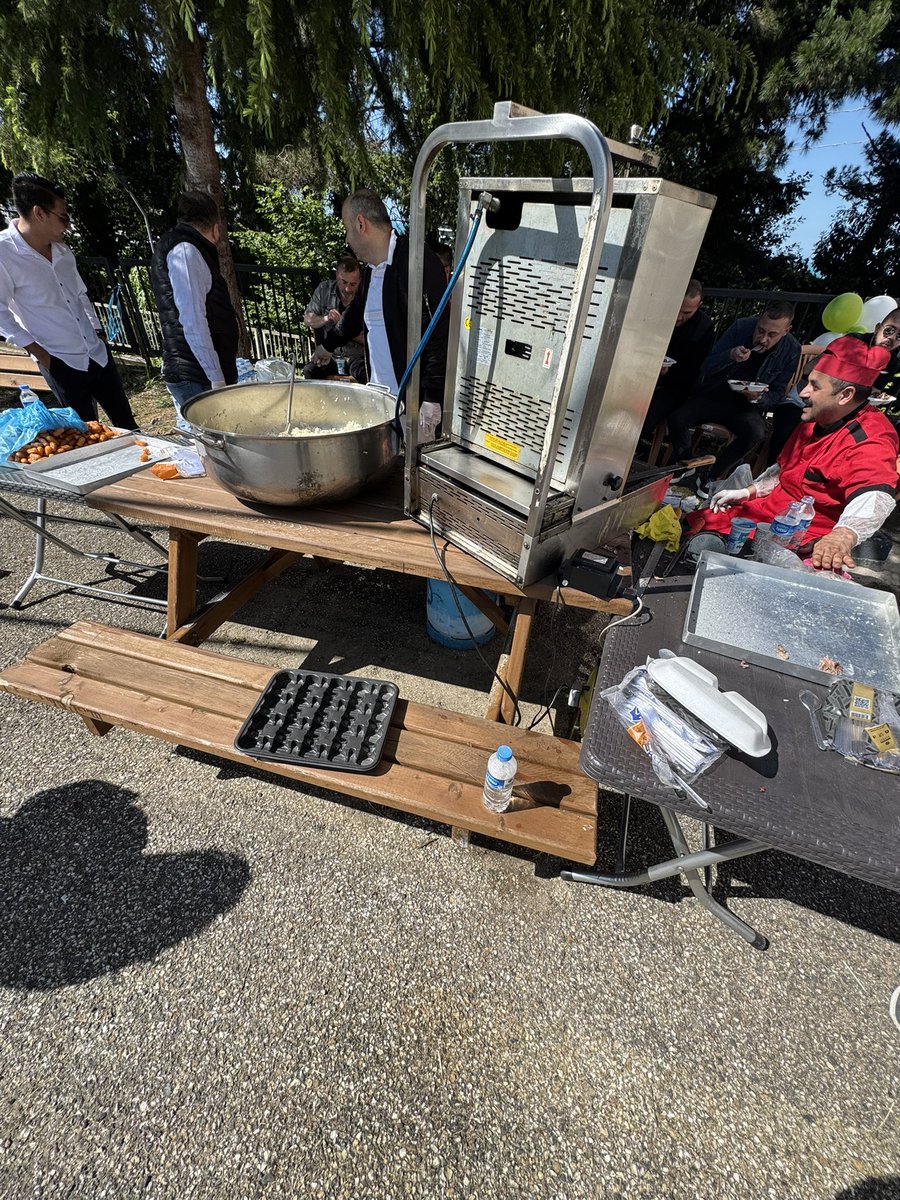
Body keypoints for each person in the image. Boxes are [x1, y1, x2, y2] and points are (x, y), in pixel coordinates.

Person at [692, 336, 898, 570]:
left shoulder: (870, 439)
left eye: (815, 386)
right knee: (696, 525)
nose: (803, 393)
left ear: (845, 395)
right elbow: (785, 469)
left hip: (803, 536)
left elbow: (875, 495)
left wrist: (841, 537)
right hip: (767, 513)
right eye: (807, 382)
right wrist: (748, 491)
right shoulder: (814, 418)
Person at [0, 172, 136, 427]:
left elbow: (80, 294)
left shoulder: (62, 249)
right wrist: (41, 354)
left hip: (97, 354)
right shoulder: (4, 253)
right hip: (61, 362)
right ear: (39, 213)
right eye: (63, 217)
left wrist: (98, 333)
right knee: (87, 439)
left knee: (129, 428)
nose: (69, 226)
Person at [318, 190, 449, 434]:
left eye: (347, 228)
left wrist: (432, 397)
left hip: (415, 407)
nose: (347, 239)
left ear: (360, 224)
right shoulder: (370, 270)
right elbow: (355, 314)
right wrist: (327, 346)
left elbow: (437, 330)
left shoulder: (415, 261)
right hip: (382, 402)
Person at [667, 300, 801, 487]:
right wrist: (729, 355)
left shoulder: (792, 350)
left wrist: (760, 397)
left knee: (756, 433)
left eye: (772, 334)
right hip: (717, 393)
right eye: (761, 330)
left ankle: (712, 475)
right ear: (758, 321)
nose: (763, 339)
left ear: (786, 330)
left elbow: (778, 392)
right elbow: (706, 366)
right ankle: (685, 462)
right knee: (677, 418)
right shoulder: (741, 327)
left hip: (748, 405)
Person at [150, 190, 239, 427]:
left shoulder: (190, 248)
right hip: (196, 374)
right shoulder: (186, 252)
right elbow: (193, 322)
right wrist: (216, 377)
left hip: (199, 371)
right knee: (210, 447)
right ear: (215, 228)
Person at [640, 280, 715, 443]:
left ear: (699, 305)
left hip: (674, 387)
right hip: (641, 375)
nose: (679, 317)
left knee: (644, 419)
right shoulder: (656, 314)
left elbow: (694, 371)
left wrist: (668, 371)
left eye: (687, 312)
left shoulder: (704, 327)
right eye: (676, 309)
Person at [301, 256, 366, 383]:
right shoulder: (324, 290)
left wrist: (344, 328)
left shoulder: (364, 296)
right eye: (344, 282)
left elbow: (371, 339)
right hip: (332, 356)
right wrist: (326, 318)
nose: (347, 289)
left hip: (357, 357)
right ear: (336, 275)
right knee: (310, 370)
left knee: (365, 375)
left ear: (360, 280)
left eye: (353, 284)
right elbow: (308, 320)